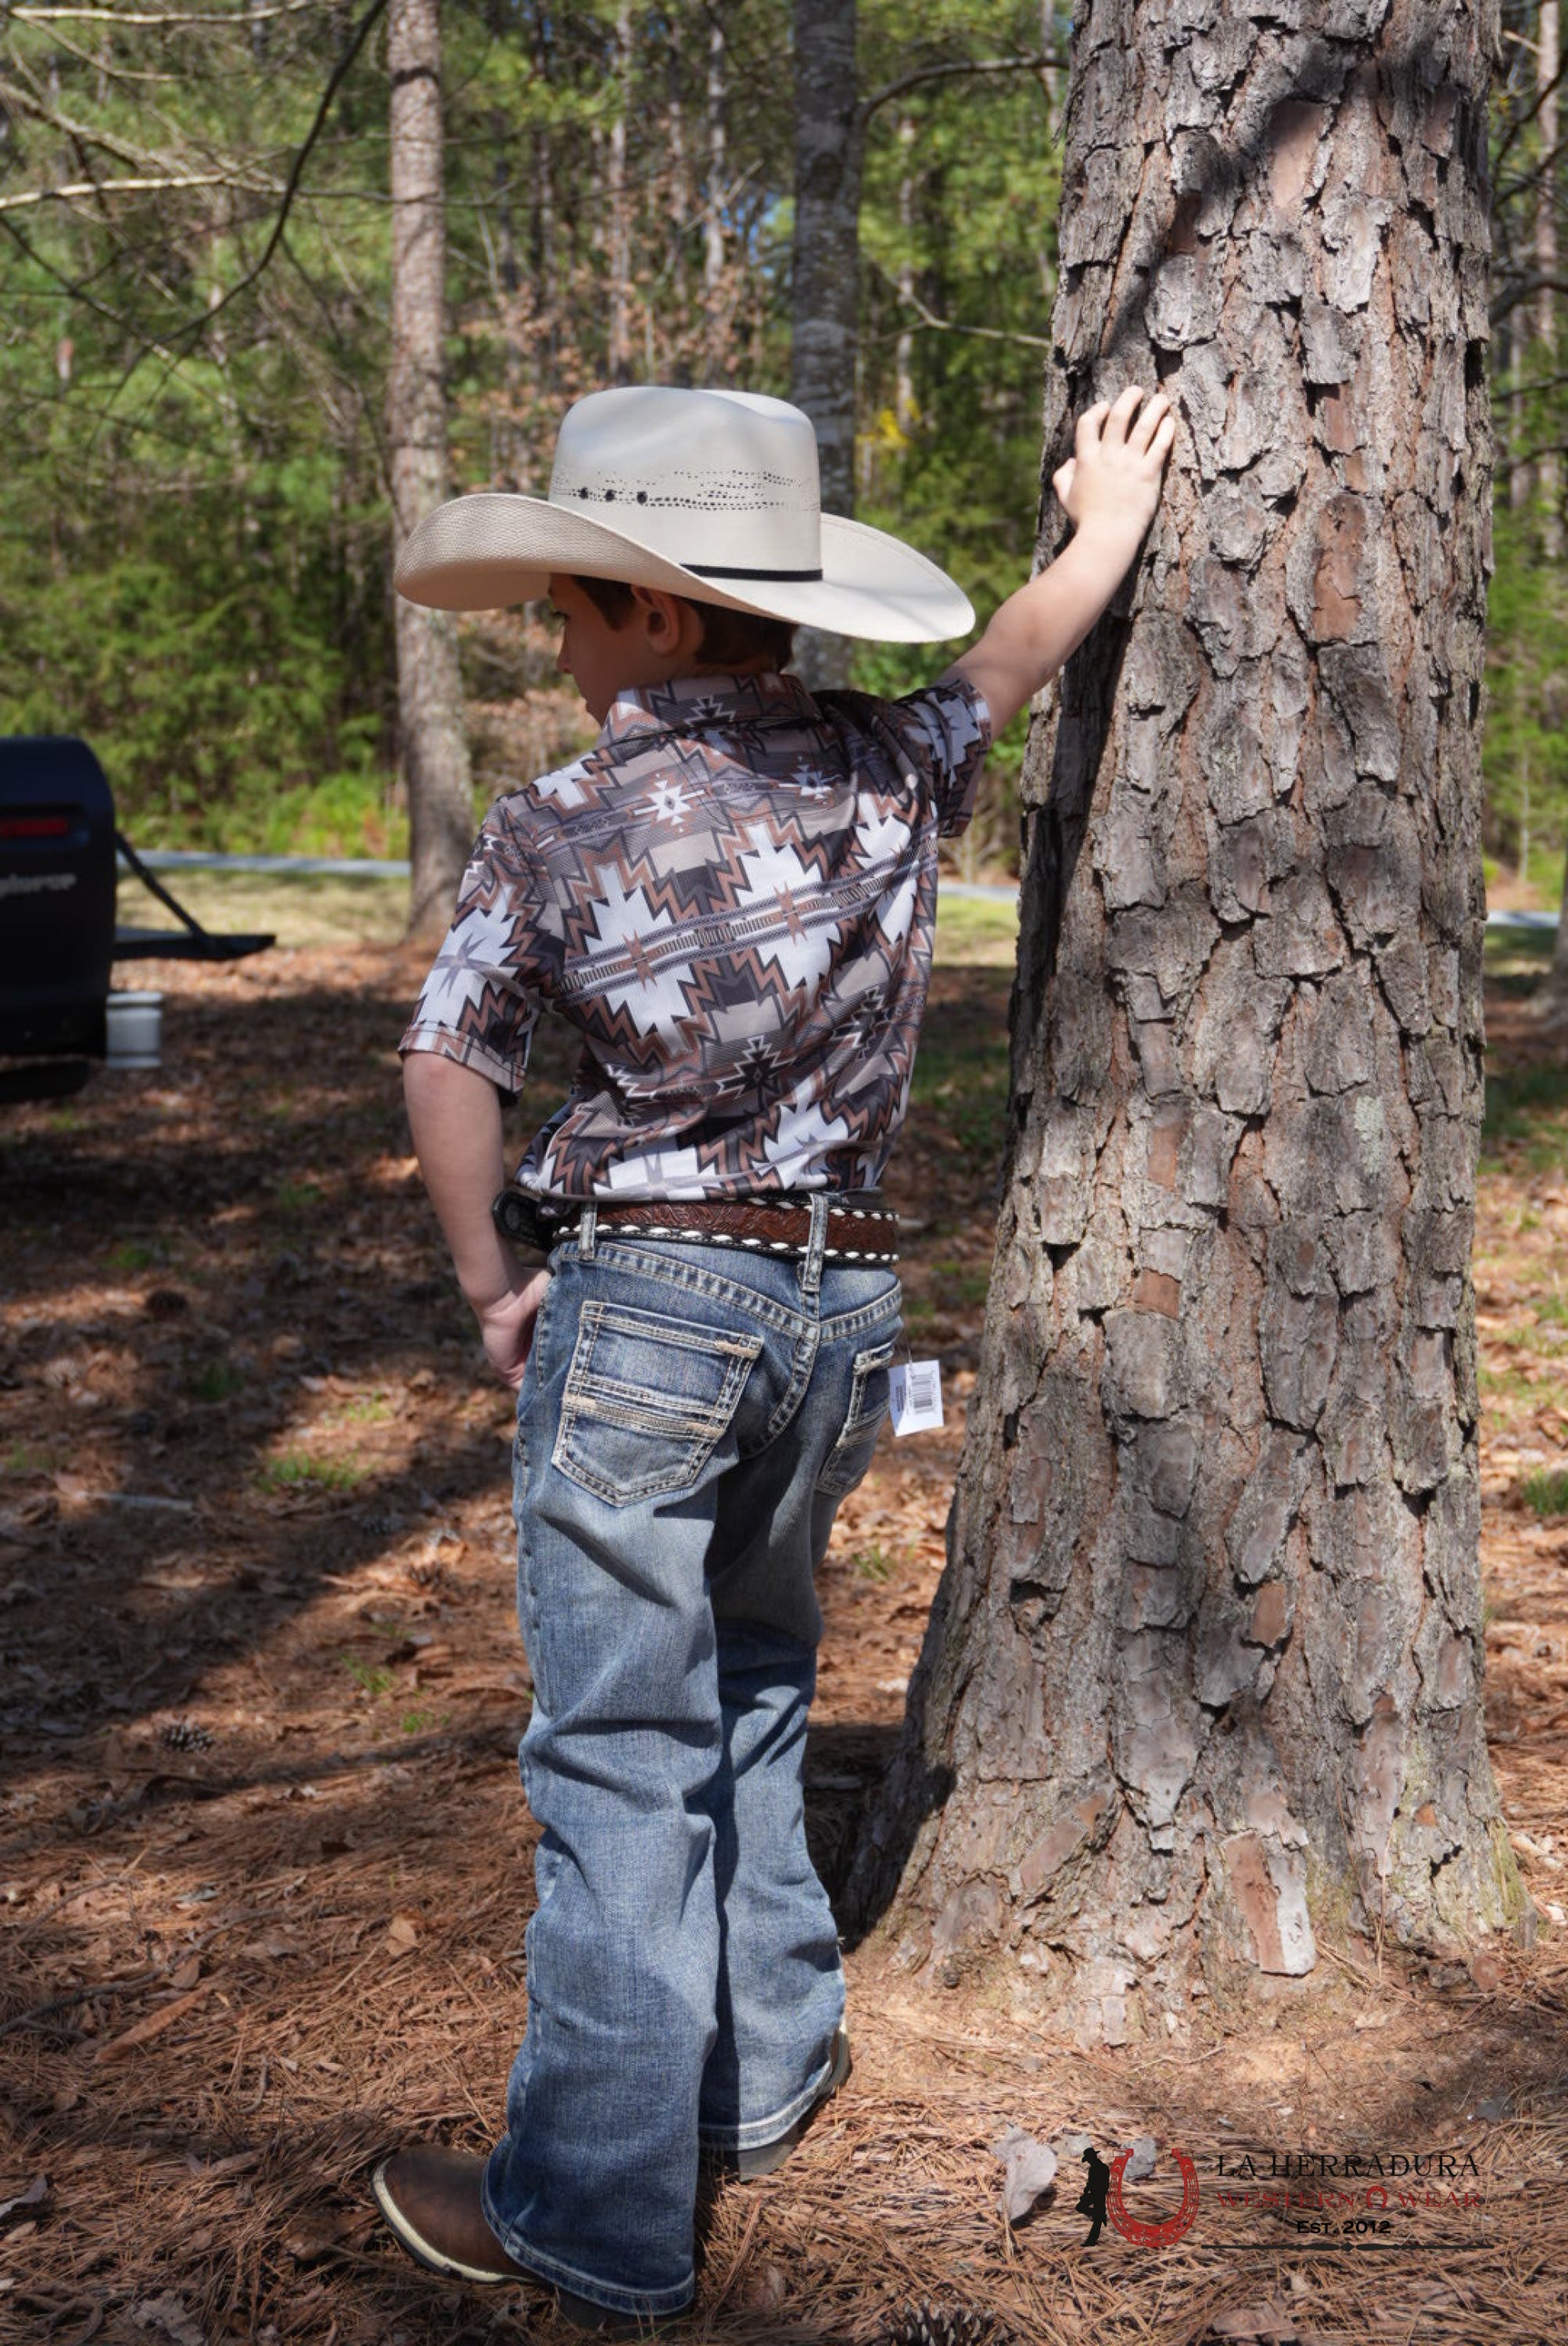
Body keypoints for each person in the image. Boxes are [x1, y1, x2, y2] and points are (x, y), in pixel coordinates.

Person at [371, 382, 1174, 2333]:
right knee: (748, 1685)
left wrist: (490, 1280)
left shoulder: (559, 825)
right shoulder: (887, 763)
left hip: (645, 1303)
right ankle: (766, 2072)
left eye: (570, 613)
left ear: (656, 614)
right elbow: (1015, 655)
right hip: (837, 1315)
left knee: (616, 1750)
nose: (556, 652)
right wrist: (1106, 523)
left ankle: (593, 2213)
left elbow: (450, 1059)